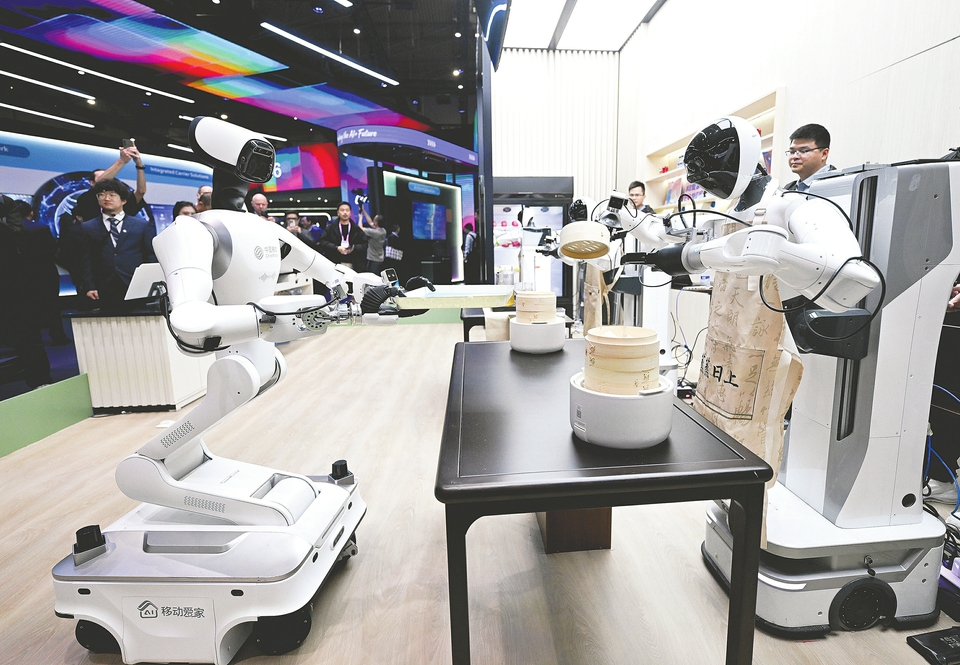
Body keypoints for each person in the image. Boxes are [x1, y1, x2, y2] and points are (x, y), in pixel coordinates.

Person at [75, 178, 157, 311]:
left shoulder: (141, 226)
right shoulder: (88, 227)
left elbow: (151, 256)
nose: (106, 198)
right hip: (103, 287)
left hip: (135, 286)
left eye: (112, 195)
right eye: (101, 195)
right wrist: (89, 286)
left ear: (123, 200)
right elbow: (84, 259)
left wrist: (150, 283)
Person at [0, 195, 52, 388]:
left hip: (15, 293)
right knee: (28, 340)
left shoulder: (10, 231)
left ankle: (40, 381)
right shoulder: (13, 230)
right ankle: (40, 381)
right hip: (17, 293)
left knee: (27, 339)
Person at [71, 144, 148, 222]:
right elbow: (100, 184)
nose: (107, 198)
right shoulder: (86, 199)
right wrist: (122, 161)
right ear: (92, 182)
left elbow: (141, 192)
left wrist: (139, 165)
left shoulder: (120, 204)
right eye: (101, 177)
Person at [782, 124, 835, 192]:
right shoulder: (787, 189)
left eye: (803, 151)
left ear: (824, 154)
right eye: (792, 152)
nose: (795, 156)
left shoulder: (839, 184)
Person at [318, 202, 366, 270]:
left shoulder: (356, 229)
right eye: (342, 210)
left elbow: (365, 244)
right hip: (334, 262)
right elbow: (322, 241)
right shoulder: (331, 228)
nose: (345, 212)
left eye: (347, 210)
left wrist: (353, 248)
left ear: (350, 213)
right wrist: (336, 247)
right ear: (338, 213)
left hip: (353, 263)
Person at [358, 205, 387, 275]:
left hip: (374, 259)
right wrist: (364, 211)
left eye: (374, 219)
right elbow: (370, 222)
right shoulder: (383, 230)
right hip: (379, 258)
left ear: (376, 223)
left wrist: (360, 218)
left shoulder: (374, 232)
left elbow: (360, 228)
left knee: (372, 276)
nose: (373, 220)